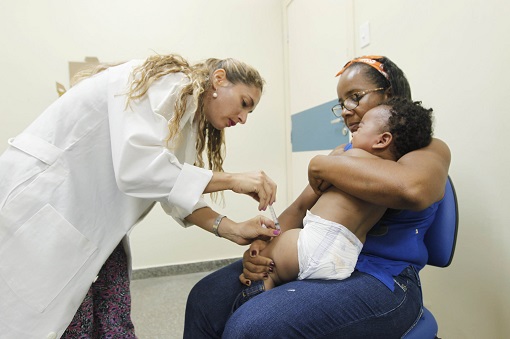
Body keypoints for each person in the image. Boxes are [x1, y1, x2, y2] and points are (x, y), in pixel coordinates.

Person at [0, 53, 281, 339]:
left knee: (114, 319)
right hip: (48, 206)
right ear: (219, 79)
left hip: (92, 225)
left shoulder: (186, 114)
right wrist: (232, 180)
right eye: (245, 103)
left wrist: (231, 228)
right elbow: (140, 169)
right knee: (71, 325)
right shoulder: (165, 82)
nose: (244, 118)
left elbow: (172, 188)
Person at [184, 55, 451, 338]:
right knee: (206, 298)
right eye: (342, 103)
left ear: (390, 96)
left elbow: (414, 190)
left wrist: (320, 164)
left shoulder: (427, 149)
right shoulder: (343, 153)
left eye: (355, 97)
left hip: (386, 278)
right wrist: (261, 247)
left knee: (253, 326)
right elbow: (299, 209)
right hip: (318, 259)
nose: (347, 111)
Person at [236, 98, 433, 297]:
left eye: (361, 127)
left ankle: (255, 292)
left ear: (382, 140)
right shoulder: (388, 177)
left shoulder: (352, 157)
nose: (353, 131)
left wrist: (336, 156)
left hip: (312, 245)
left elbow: (318, 183)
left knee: (268, 264)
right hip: (343, 261)